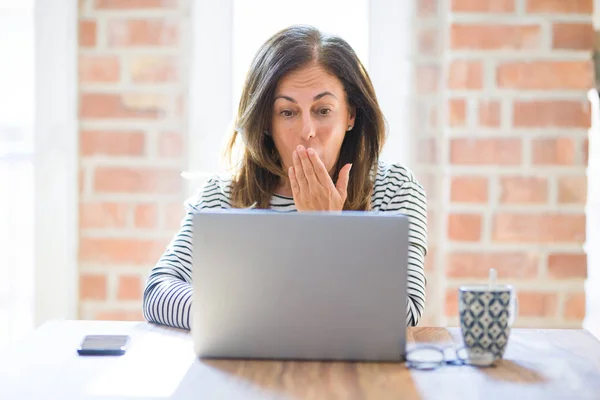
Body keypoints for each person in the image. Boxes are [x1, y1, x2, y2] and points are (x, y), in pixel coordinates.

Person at [142, 24, 428, 330]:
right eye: (288, 113)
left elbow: (405, 313)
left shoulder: (394, 189)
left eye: (323, 110)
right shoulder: (224, 195)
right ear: (266, 121)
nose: (307, 130)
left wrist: (328, 231)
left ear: (350, 116)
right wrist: (258, 313)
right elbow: (158, 292)